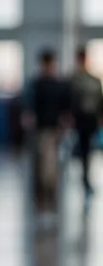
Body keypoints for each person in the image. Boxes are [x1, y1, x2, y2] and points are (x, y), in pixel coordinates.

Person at [23, 48, 70, 220]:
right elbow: (28, 106)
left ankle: (49, 198)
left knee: (49, 165)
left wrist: (66, 120)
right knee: (42, 165)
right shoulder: (36, 84)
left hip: (54, 130)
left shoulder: (60, 85)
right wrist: (28, 116)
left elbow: (66, 106)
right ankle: (42, 199)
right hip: (41, 130)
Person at [68, 46, 103, 199]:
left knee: (87, 149)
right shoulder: (77, 79)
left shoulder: (80, 80)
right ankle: (85, 179)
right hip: (83, 119)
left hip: (88, 119)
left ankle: (86, 178)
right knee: (84, 150)